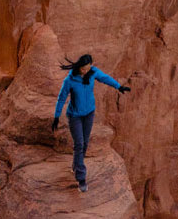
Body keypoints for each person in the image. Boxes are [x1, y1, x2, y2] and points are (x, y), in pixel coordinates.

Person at [52, 52, 130, 192]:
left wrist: (118, 86)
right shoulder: (69, 80)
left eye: (88, 68)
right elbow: (61, 98)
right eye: (83, 68)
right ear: (79, 67)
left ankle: (76, 166)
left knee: (85, 143)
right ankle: (81, 178)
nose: (86, 70)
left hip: (89, 113)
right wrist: (56, 116)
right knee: (79, 143)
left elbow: (105, 78)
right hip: (74, 116)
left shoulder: (93, 72)